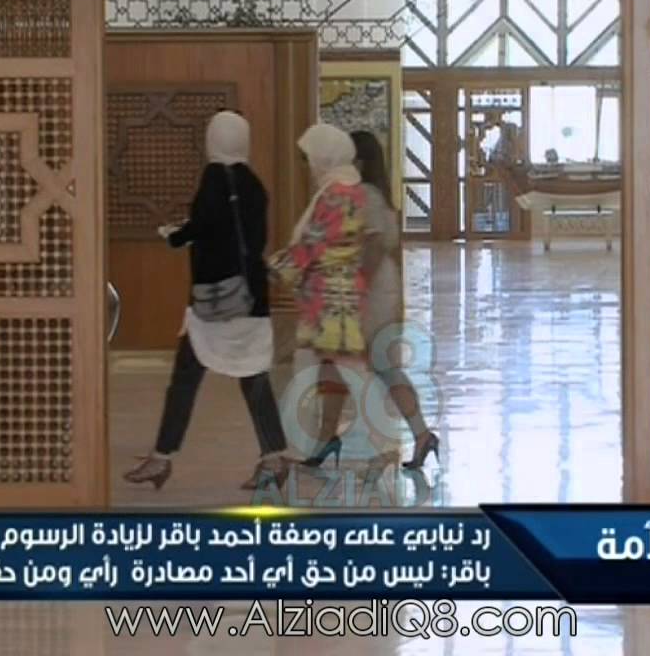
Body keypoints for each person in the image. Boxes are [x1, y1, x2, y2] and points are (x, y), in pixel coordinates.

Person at [124, 111, 290, 492]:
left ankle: (161, 458)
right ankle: (274, 459)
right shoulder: (254, 185)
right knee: (253, 376)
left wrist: (176, 236)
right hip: (250, 296)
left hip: (215, 301)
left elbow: (204, 226)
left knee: (185, 378)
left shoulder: (215, 178)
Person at [304, 130, 439, 470]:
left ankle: (420, 434)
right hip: (365, 289)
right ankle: (327, 436)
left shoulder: (366, 196)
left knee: (380, 367)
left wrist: (356, 288)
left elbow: (374, 247)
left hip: (370, 293)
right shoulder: (370, 194)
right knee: (335, 364)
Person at [271, 124, 372, 465]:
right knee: (339, 371)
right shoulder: (353, 190)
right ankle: (332, 440)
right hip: (344, 295)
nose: (309, 165)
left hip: (326, 300)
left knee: (307, 371)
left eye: (311, 157)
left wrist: (272, 270)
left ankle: (299, 446)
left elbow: (311, 244)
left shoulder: (334, 195)